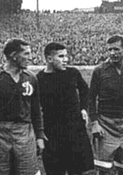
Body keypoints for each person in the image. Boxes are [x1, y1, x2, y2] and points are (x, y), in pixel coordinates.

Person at [0, 38, 46, 175]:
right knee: (0, 171)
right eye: (26, 54)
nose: (30, 58)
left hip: (24, 131)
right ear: (14, 56)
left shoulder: (31, 78)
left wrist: (39, 135)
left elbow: (35, 110)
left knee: (28, 171)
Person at [36, 42, 95, 175]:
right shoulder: (39, 79)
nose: (66, 59)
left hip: (75, 131)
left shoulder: (72, 73)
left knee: (81, 171)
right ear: (49, 59)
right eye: (61, 56)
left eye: (66, 56)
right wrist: (39, 130)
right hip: (53, 134)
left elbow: (85, 90)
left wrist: (84, 109)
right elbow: (34, 107)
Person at [89, 35, 123, 175]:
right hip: (105, 122)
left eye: (116, 49)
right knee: (104, 167)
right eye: (110, 49)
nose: (112, 53)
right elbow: (91, 99)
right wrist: (94, 122)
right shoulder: (99, 70)